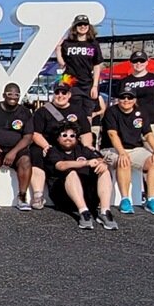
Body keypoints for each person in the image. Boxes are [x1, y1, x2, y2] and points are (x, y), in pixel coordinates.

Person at [100, 89, 154, 216]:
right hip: (112, 148)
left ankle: (151, 199)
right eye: (123, 97)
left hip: (135, 148)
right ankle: (125, 199)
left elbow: (148, 134)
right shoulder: (111, 111)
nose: (126, 100)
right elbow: (112, 134)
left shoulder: (141, 113)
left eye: (129, 98)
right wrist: (122, 152)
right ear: (118, 99)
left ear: (134, 100)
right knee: (123, 161)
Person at [28, 82, 93, 210]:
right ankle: (38, 194)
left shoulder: (77, 111)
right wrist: (47, 146)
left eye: (64, 92)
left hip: (71, 144)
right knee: (35, 153)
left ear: (69, 95)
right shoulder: (43, 111)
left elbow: (86, 132)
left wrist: (87, 147)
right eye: (57, 92)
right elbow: (36, 134)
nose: (60, 95)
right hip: (48, 144)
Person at [45, 122, 119, 230]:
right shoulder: (53, 151)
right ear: (57, 138)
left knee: (104, 170)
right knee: (71, 173)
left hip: (89, 195)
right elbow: (61, 165)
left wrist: (102, 163)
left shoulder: (83, 149)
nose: (68, 138)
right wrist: (85, 163)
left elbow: (98, 158)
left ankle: (104, 212)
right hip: (64, 196)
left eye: (72, 136)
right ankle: (83, 212)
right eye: (64, 135)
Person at [0, 82, 34, 211]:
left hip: (16, 149)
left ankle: (22, 196)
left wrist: (14, 152)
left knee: (25, 161)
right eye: (10, 94)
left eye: (16, 94)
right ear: (4, 95)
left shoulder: (25, 112)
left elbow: (28, 136)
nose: (13, 97)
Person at [118, 50, 154, 153]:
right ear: (131, 62)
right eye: (135, 61)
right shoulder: (124, 82)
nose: (138, 64)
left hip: (153, 124)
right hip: (130, 124)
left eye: (141, 61)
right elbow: (118, 103)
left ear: (147, 62)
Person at [56, 14, 103, 119]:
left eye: (85, 24)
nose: (82, 27)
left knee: (87, 114)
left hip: (87, 82)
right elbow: (62, 64)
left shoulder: (93, 44)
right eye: (80, 25)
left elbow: (96, 65)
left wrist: (95, 86)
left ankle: (86, 134)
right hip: (70, 80)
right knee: (70, 111)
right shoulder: (67, 43)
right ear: (75, 27)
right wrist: (58, 49)